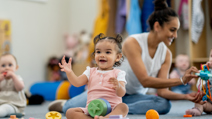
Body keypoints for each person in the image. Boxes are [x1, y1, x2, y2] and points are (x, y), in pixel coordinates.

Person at [48, 0, 204, 115]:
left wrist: (186, 96)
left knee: (163, 105)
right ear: (157, 26)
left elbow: (162, 91)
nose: (175, 35)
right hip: (105, 92)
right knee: (69, 109)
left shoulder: (166, 54)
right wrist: (182, 80)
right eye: (172, 30)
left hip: (130, 95)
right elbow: (145, 80)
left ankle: (113, 111)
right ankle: (70, 104)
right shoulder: (133, 42)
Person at [59, 33, 128, 119]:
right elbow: (77, 83)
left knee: (123, 107)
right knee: (70, 112)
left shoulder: (119, 73)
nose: (102, 55)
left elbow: (121, 93)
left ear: (117, 57)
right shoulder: (90, 71)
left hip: (112, 109)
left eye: (107, 52)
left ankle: (106, 118)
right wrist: (69, 72)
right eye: (98, 52)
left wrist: (118, 86)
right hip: (92, 110)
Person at [185, 49, 212, 116]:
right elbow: (199, 86)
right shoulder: (207, 72)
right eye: (211, 56)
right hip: (210, 104)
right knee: (200, 102)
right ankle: (197, 110)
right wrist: (203, 75)